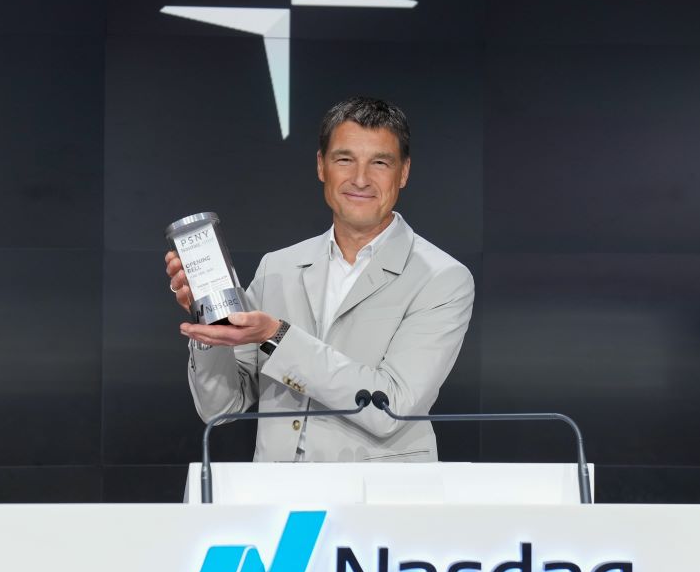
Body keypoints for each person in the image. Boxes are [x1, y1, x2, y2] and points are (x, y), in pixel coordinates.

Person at [164, 97, 474, 462]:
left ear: (403, 172)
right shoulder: (277, 267)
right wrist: (209, 322)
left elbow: (391, 407)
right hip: (279, 490)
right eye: (344, 159)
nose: (360, 179)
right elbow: (221, 406)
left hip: (379, 491)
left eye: (379, 162)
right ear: (321, 166)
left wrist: (276, 335)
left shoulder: (442, 279)